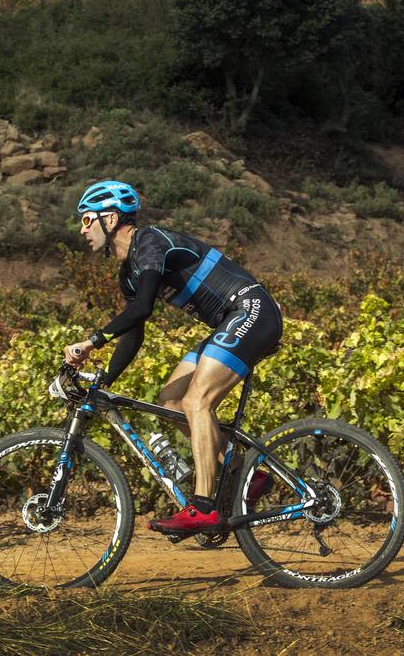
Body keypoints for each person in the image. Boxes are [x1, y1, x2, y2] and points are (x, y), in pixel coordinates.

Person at [64, 179, 283, 534]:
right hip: (232, 319)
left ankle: (203, 508)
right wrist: (105, 379)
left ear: (111, 218)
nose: (81, 229)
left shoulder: (150, 242)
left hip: (251, 309)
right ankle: (246, 474)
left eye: (87, 219)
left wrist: (91, 342)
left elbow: (142, 309)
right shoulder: (129, 273)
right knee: (170, 401)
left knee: (197, 401)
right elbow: (134, 333)